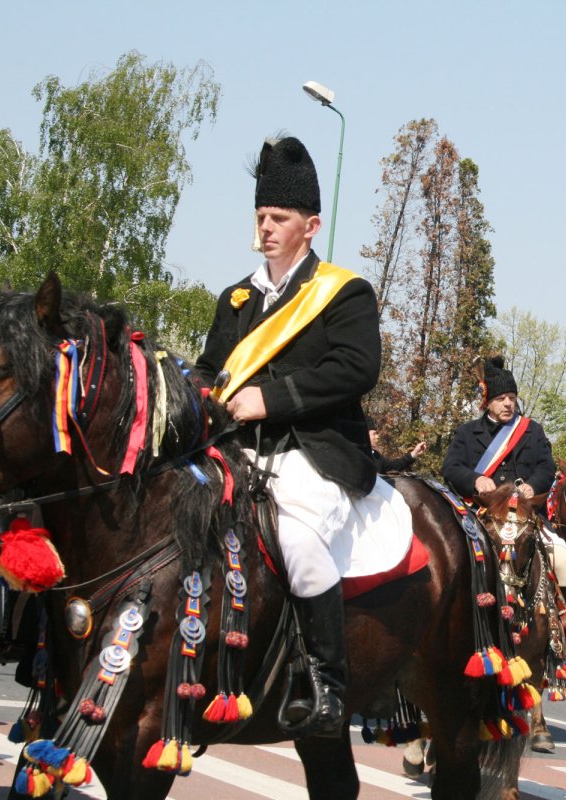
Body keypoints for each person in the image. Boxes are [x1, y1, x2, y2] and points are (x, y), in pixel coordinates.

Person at [195, 136, 383, 736]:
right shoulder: (238, 297)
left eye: (279, 218)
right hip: (238, 451)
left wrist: (269, 398)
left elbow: (356, 368)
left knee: (298, 540)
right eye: (260, 217)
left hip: (314, 452)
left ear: (311, 226)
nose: (266, 227)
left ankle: (326, 682)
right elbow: (211, 368)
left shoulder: (344, 292)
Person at [441, 355, 566, 653]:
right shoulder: (468, 433)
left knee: (564, 559)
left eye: (512, 398)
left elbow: (546, 467)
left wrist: (533, 484)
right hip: (481, 514)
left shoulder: (532, 431)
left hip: (525, 514)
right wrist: (475, 480)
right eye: (502, 398)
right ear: (488, 402)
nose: (508, 404)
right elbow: (451, 468)